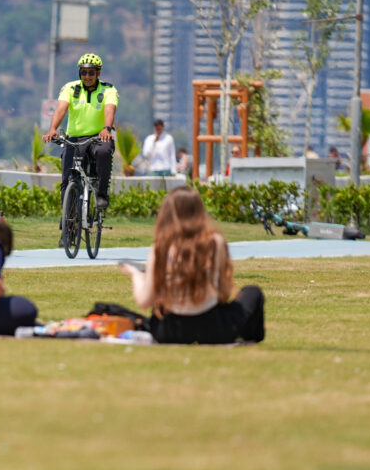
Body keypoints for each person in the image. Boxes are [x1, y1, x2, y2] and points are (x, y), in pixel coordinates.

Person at [119, 187, 264, 345]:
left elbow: (144, 301)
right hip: (212, 329)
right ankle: (248, 338)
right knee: (252, 292)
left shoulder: (159, 248)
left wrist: (136, 275)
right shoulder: (216, 242)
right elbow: (224, 293)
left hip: (168, 331)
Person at [44, 53, 118, 211]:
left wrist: (106, 128)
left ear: (98, 73)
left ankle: (101, 194)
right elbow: (61, 109)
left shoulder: (108, 89)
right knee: (67, 179)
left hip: (99, 137)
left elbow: (109, 110)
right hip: (75, 139)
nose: (87, 76)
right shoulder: (70, 88)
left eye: (91, 72)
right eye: (84, 72)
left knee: (104, 152)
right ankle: (67, 229)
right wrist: (52, 129)